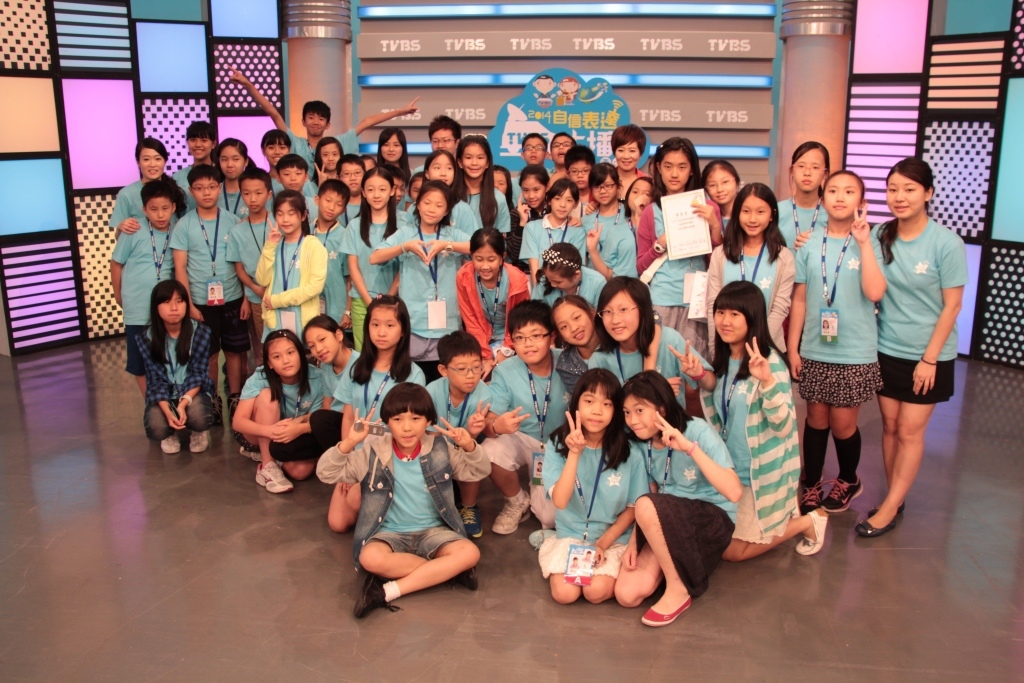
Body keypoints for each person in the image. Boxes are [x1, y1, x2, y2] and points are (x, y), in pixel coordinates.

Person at [858, 158, 967, 538]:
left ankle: (889, 507)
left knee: (909, 430)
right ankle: (895, 496)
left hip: (929, 355)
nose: (899, 197)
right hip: (887, 347)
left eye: (909, 189)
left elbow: (953, 306)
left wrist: (929, 359)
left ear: (928, 193)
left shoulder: (946, 243)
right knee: (889, 426)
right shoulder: (878, 235)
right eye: (893, 189)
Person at [316, 382, 490, 618]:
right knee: (370, 557)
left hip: (434, 532)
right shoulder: (372, 452)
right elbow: (325, 473)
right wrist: (349, 442)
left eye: (416, 418)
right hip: (388, 534)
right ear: (387, 423)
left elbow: (479, 471)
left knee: (470, 552)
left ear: (428, 421)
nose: (407, 427)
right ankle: (447, 571)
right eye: (397, 419)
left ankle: (387, 591)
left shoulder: (441, 448)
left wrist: (469, 445)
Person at [703, 281, 828, 560]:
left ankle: (808, 522)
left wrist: (768, 382)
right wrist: (700, 375)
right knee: (714, 537)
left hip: (758, 473)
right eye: (720, 312)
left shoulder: (769, 363)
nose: (725, 321)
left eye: (735, 314)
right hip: (731, 468)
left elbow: (783, 426)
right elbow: (722, 404)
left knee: (732, 553)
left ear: (752, 317)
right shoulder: (726, 357)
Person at [789, 171, 886, 515]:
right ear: (822, 198)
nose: (840, 197)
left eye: (849, 191)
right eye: (832, 190)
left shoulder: (870, 241)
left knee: (843, 424)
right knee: (815, 419)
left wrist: (863, 242)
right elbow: (799, 299)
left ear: (862, 202)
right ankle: (812, 482)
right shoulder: (808, 243)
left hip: (854, 350)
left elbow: (875, 292)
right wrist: (793, 348)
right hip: (815, 347)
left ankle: (848, 479)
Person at [614, 372, 741, 626]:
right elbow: (651, 494)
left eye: (639, 410)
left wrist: (689, 448)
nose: (632, 420)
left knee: (646, 504)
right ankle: (677, 564)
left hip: (711, 518)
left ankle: (678, 589)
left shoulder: (697, 430)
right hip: (667, 520)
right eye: (627, 412)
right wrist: (633, 542)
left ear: (662, 408)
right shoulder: (641, 442)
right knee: (627, 594)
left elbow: (734, 492)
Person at [313, 296, 427, 533]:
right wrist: (347, 463)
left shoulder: (413, 375)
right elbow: (347, 416)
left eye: (390, 325)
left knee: (358, 501)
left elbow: (413, 431)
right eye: (375, 325)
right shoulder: (357, 368)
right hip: (358, 452)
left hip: (392, 455)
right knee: (338, 523)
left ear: (403, 331)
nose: (381, 332)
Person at [539, 369, 648, 605]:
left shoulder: (630, 452)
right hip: (570, 534)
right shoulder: (558, 443)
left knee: (595, 592)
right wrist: (574, 454)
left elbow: (633, 508)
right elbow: (560, 501)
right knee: (565, 595)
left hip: (612, 538)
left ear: (616, 410)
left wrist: (602, 544)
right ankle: (549, 540)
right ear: (576, 402)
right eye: (589, 401)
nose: (597, 411)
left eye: (607, 404)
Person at [170, 164, 251, 425]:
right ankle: (212, 398)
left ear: (220, 187)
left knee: (235, 351)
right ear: (191, 190)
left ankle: (235, 397)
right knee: (210, 354)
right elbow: (180, 268)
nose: (206, 193)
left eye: (212, 187)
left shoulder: (233, 221)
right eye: (200, 188)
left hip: (234, 297)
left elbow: (243, 263)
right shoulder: (183, 225)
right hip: (200, 302)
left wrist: (246, 297)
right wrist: (189, 305)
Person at [482, 300, 569, 534]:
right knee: (490, 451)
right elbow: (488, 423)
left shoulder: (568, 363)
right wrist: (496, 426)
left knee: (550, 519)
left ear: (552, 336)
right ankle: (517, 501)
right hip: (523, 438)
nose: (528, 344)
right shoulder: (505, 370)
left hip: (560, 445)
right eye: (520, 338)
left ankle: (539, 494)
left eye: (536, 335)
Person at [371, 180, 472, 382]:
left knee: (444, 383)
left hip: (446, 326)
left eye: (439, 205)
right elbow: (375, 257)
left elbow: (478, 247)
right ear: (417, 204)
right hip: (413, 324)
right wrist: (404, 247)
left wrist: (448, 246)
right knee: (412, 384)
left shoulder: (452, 234)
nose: (432, 209)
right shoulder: (406, 233)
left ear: (446, 211)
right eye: (426, 202)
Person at [635, 138, 722, 360]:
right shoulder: (651, 212)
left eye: (682, 167)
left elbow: (719, 263)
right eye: (668, 166)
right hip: (661, 300)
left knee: (694, 367)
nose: (675, 174)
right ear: (658, 168)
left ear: (692, 169)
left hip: (697, 301)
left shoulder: (709, 208)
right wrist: (660, 244)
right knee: (660, 365)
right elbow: (641, 266)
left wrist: (714, 227)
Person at [230, 68, 419, 167]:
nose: (315, 122)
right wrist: (248, 85)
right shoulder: (295, 144)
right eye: (311, 117)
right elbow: (273, 113)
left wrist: (400, 111)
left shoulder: (337, 143)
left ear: (328, 124)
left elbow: (367, 122)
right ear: (303, 122)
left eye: (321, 119)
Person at [111, 179, 184, 395]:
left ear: (173, 207)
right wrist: (118, 295)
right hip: (137, 306)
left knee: (168, 357)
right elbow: (116, 264)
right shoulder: (133, 230)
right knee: (139, 362)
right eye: (153, 209)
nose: (160, 215)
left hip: (167, 307)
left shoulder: (178, 230)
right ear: (144, 209)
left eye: (165, 208)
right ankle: (151, 402)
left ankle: (171, 399)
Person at [588, 276, 715, 400]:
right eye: (607, 312)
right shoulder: (599, 359)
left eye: (623, 309)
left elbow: (711, 384)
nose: (615, 320)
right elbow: (601, 408)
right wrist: (658, 392)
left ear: (642, 309)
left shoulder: (669, 340)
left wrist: (700, 374)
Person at [232, 329, 325, 493]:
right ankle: (267, 466)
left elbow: (316, 417)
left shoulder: (317, 377)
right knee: (267, 395)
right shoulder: (260, 377)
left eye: (290, 352)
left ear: (301, 353)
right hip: (260, 432)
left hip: (294, 433)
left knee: (301, 472)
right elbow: (238, 422)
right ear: (269, 363)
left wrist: (296, 428)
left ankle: (273, 455)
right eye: (276, 357)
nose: (285, 361)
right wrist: (271, 431)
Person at [706, 182, 794, 354]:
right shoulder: (721, 255)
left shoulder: (784, 257)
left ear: (771, 215)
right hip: (727, 350)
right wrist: (714, 348)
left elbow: (780, 308)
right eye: (746, 211)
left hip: (767, 349)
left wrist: (757, 347)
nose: (752, 219)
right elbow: (713, 306)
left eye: (760, 212)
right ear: (737, 213)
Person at [425, 331, 493, 539]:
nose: (471, 375)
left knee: (473, 453)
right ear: (443, 370)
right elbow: (428, 435)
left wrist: (471, 434)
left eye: (476, 367)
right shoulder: (432, 391)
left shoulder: (483, 394)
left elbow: (472, 441)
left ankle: (469, 506)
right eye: (462, 369)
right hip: (437, 444)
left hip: (465, 445)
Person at [137, 280, 215, 454]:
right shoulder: (146, 337)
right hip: (164, 394)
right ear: (156, 307)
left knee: (200, 418)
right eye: (167, 302)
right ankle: (169, 433)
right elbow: (155, 380)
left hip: (192, 392)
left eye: (179, 301)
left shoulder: (200, 332)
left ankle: (198, 431)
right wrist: (167, 410)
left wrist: (183, 403)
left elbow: (199, 374)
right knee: (156, 428)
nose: (174, 308)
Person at [342, 168, 403, 351]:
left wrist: (389, 298)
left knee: (393, 353)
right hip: (362, 301)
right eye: (370, 189)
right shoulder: (354, 226)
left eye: (382, 189)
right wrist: (370, 303)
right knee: (365, 353)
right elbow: (353, 268)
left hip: (396, 301)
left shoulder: (404, 223)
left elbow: (406, 266)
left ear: (392, 191)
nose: (376, 195)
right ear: (363, 192)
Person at [254, 191, 328, 338]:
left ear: (303, 215)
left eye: (291, 213)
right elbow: (261, 280)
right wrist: (269, 246)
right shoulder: (274, 245)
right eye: (280, 214)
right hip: (275, 320)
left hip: (304, 322)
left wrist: (278, 301)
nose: (285, 219)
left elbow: (315, 287)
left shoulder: (314, 245)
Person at [455, 228, 530, 373]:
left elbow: (521, 321)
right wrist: (486, 356)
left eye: (491, 260)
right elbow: (470, 319)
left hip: (513, 340)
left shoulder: (517, 280)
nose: (485, 266)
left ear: (502, 258)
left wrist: (507, 349)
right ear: (471, 256)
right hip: (480, 341)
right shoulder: (463, 277)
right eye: (479, 259)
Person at [226, 167, 273, 364]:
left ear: (269, 194)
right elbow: (239, 268)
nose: (252, 199)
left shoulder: (279, 223)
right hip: (256, 296)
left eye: (258, 193)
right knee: (263, 346)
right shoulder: (237, 231)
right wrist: (255, 289)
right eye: (246, 193)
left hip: (282, 293)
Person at [111, 138, 184, 236]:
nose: (152, 164)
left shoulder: (175, 190)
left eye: (157, 159)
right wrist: (121, 227)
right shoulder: (126, 194)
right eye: (146, 159)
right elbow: (119, 238)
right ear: (138, 162)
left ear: (165, 161)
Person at [521, 178, 584, 284]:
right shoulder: (531, 228)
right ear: (549, 200)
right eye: (557, 198)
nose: (562, 205)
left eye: (569, 200)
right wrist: (539, 291)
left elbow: (575, 269)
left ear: (576, 204)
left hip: (566, 288)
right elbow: (534, 268)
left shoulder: (578, 232)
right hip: (541, 287)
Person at [583, 163, 636, 279]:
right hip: (594, 283)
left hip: (625, 282)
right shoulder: (586, 220)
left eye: (608, 185)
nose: (602, 191)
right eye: (597, 187)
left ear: (618, 186)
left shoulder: (630, 214)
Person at [310, 179, 351, 329]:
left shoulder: (345, 236)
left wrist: (348, 311)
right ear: (317, 200)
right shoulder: (305, 231)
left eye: (338, 204)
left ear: (344, 210)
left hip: (337, 310)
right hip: (309, 307)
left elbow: (350, 278)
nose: (331, 207)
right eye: (328, 200)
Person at [778, 141, 830, 249]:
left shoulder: (832, 214)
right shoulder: (776, 211)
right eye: (801, 166)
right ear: (792, 171)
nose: (807, 173)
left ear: (825, 173)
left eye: (815, 167)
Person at [455, 135, 511, 233]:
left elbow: (501, 237)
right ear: (460, 162)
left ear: (487, 163)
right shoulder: (449, 196)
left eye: (480, 158)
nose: (474, 163)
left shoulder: (498, 198)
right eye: (468, 157)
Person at [304, 314, 359, 414]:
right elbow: (327, 407)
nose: (318, 349)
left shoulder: (361, 364)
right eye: (312, 346)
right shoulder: (325, 367)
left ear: (339, 335)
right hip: (334, 418)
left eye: (322, 339)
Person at [417, 150, 477, 231]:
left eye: (449, 168)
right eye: (437, 168)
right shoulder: (415, 207)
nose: (443, 173)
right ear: (427, 174)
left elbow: (473, 239)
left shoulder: (463, 209)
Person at [531, 244, 605, 309]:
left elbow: (600, 316)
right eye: (548, 279)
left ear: (577, 275)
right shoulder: (543, 280)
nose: (552, 284)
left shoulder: (597, 283)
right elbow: (535, 314)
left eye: (558, 282)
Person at [552, 295, 600, 396]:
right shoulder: (566, 365)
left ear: (592, 314)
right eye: (564, 326)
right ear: (561, 336)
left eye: (576, 318)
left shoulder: (617, 341)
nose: (573, 328)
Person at [511, 164, 551, 269]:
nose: (531, 196)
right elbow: (513, 256)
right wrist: (522, 223)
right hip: (523, 273)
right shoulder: (516, 214)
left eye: (536, 190)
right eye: (526, 190)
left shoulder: (554, 212)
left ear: (547, 187)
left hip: (551, 272)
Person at [172, 120, 217, 209]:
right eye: (193, 140)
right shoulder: (177, 178)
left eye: (204, 140)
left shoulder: (221, 173)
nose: (198, 145)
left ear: (213, 144)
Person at [261, 129, 317, 198]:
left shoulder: (301, 180)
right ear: (263, 151)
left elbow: (312, 203)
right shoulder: (261, 182)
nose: (277, 152)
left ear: (289, 150)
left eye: (282, 148)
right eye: (271, 148)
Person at [215, 138, 253, 219]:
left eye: (235, 159)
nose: (230, 164)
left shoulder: (255, 192)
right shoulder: (213, 192)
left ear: (246, 161)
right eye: (224, 159)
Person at [276, 154, 319, 222]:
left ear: (306, 177)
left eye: (298, 173)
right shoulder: (275, 206)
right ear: (278, 178)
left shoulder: (316, 205)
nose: (293, 178)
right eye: (287, 174)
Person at [702, 160, 741, 234]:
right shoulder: (706, 218)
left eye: (725, 182)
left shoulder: (747, 213)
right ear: (706, 190)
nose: (720, 189)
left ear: (737, 182)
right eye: (712, 185)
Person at [612, 124, 647, 201]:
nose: (626, 156)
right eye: (621, 150)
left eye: (632, 151)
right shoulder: (604, 179)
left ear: (640, 154)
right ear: (614, 152)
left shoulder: (648, 183)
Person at [564, 145, 595, 220]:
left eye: (585, 171)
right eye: (574, 171)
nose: (580, 175)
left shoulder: (599, 197)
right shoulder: (562, 198)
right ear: (567, 173)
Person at [339, 154, 366, 223]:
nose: (353, 178)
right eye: (347, 174)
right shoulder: (334, 206)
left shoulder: (372, 203)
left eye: (357, 173)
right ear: (338, 178)